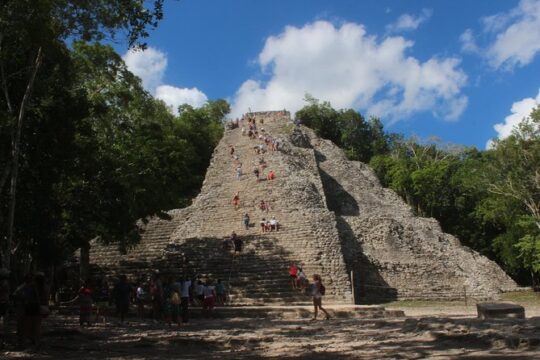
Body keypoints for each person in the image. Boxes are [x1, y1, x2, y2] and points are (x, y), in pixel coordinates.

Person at [0, 268, 10, 341]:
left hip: (3, 302)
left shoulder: (4, 282)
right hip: (3, 303)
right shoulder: (5, 283)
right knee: (4, 318)